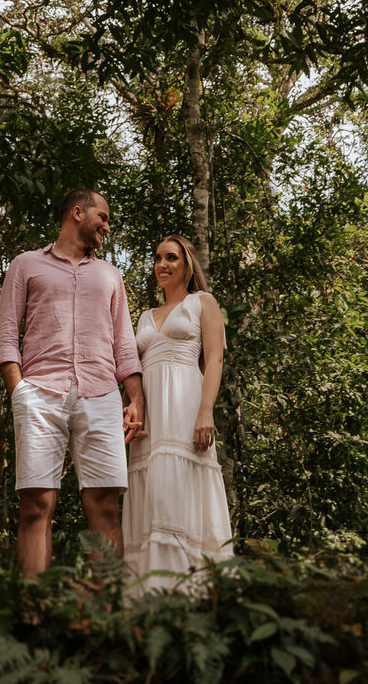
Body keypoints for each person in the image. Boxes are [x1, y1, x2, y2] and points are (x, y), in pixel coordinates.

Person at [0, 188, 145, 575]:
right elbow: (7, 334)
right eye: (103, 217)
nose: (107, 227)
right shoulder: (26, 265)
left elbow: (124, 342)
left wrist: (135, 399)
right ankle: (32, 612)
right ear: (77, 213)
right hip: (40, 394)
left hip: (101, 396)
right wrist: (20, 391)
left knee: (106, 505)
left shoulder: (111, 274)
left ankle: (106, 609)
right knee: (35, 506)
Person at [122, 233, 233, 589]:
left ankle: (196, 590)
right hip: (152, 417)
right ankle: (150, 593)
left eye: (171, 257)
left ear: (186, 263)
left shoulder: (203, 302)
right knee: (153, 492)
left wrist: (206, 412)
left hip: (186, 406)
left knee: (183, 486)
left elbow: (214, 359)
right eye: (157, 258)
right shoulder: (144, 316)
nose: (162, 264)